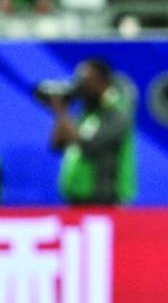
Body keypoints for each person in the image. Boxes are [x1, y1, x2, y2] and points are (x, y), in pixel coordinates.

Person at [46, 58, 136, 205]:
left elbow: (90, 146)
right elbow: (57, 144)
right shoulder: (86, 113)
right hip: (78, 198)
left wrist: (62, 111)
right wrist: (60, 111)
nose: (80, 86)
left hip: (106, 200)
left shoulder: (118, 111)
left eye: (85, 81)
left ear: (101, 82)